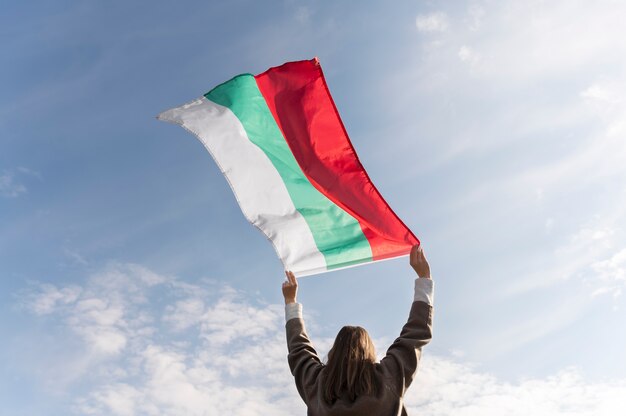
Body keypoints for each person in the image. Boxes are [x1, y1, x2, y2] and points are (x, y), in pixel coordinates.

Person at [282, 244, 434, 416]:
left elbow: (299, 349)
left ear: (335, 351)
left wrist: (290, 301)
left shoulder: (316, 386)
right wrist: (424, 278)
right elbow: (414, 335)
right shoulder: (387, 378)